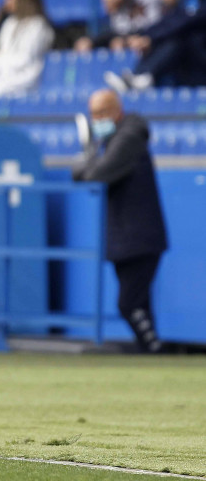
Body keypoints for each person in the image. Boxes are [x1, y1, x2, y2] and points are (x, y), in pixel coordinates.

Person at [72, 89, 167, 354]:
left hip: (139, 237)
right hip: (125, 237)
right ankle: (150, 350)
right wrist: (90, 162)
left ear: (117, 110)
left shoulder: (129, 137)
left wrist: (90, 160)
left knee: (129, 303)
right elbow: (78, 171)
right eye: (93, 114)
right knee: (139, 303)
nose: (97, 119)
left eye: (102, 112)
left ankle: (153, 349)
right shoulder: (111, 139)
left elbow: (95, 173)